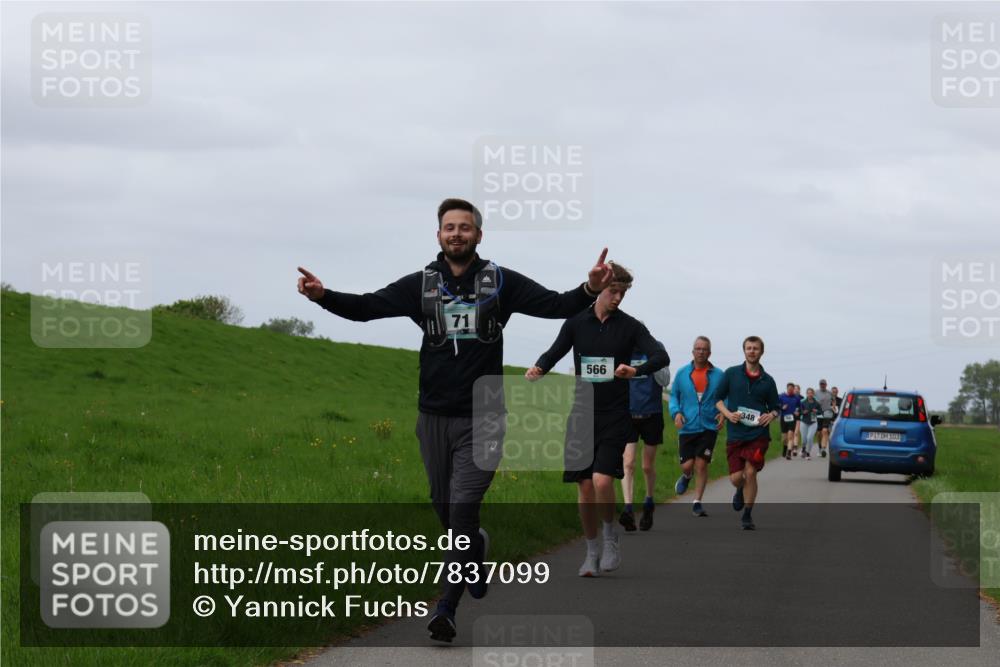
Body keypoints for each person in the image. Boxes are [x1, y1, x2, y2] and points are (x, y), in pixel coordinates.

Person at [297, 198, 613, 642]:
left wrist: (588, 288)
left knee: (463, 508)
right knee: (445, 509)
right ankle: (475, 551)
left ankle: (445, 606)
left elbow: (556, 304)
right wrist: (323, 297)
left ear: (479, 235)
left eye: (466, 227)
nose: (457, 234)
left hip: (484, 417)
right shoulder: (422, 285)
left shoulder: (500, 281)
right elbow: (367, 307)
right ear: (439, 235)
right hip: (433, 416)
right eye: (449, 227)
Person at [526, 263, 668, 576]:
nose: (617, 297)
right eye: (613, 291)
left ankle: (609, 536)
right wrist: (538, 368)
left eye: (623, 292)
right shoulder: (577, 322)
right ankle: (591, 552)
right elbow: (555, 352)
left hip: (615, 414)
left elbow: (660, 356)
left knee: (603, 480)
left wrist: (636, 370)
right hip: (581, 414)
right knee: (585, 486)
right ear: (600, 287)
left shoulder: (630, 327)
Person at [715, 336, 780, 530]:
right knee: (736, 478)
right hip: (736, 433)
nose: (752, 351)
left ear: (762, 352)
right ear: (744, 351)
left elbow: (776, 406)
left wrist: (772, 415)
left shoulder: (768, 380)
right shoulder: (732, 374)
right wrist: (727, 414)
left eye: (756, 348)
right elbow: (718, 399)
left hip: (758, 434)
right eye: (749, 348)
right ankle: (740, 489)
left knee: (751, 472)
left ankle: (748, 514)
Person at [668, 336, 725, 517]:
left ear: (709, 352)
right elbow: (674, 396)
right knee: (688, 465)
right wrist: (676, 412)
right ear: (693, 351)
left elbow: (727, 395)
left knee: (701, 464)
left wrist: (724, 412)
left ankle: (697, 502)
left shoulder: (718, 375)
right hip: (688, 426)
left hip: (709, 426)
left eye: (704, 349)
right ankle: (686, 476)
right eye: (698, 348)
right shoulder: (683, 373)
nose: (701, 352)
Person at [619, 340, 671, 531]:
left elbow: (665, 380)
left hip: (652, 414)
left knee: (647, 466)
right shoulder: (622, 349)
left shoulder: (656, 349)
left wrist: (653, 360)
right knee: (628, 463)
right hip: (628, 414)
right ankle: (628, 509)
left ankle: (649, 502)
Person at [778, 382, 802, 460]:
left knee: (790, 435)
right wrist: (782, 407)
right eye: (789, 389)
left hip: (792, 418)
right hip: (783, 419)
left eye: (792, 389)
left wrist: (797, 411)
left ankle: (789, 453)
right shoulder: (781, 397)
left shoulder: (796, 398)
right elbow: (776, 406)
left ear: (793, 389)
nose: (790, 391)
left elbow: (800, 407)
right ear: (787, 389)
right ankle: (785, 448)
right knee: (784, 438)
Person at [799, 388, 821, 459]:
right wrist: (803, 412)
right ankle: (803, 448)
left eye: (811, 393)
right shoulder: (803, 402)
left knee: (810, 438)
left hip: (813, 422)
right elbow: (799, 411)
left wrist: (817, 411)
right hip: (804, 422)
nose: (810, 394)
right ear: (806, 394)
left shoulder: (817, 403)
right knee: (804, 439)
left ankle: (808, 453)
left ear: (813, 394)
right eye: (808, 393)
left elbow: (821, 411)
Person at [815, 379, 834, 458]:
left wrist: (833, 406)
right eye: (821, 384)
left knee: (825, 431)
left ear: (826, 385)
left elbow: (834, 401)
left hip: (827, 414)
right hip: (818, 414)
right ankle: (820, 448)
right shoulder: (816, 393)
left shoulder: (830, 393)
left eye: (823, 384)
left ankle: (823, 449)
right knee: (819, 433)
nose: (822, 385)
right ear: (819, 385)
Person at [793, 384, 804, 456]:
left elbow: (804, 408)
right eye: (795, 389)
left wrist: (799, 412)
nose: (796, 390)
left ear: (799, 390)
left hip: (799, 417)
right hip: (790, 417)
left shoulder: (802, 398)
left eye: (797, 389)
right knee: (790, 434)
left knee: (796, 433)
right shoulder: (790, 397)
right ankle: (790, 447)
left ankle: (795, 449)